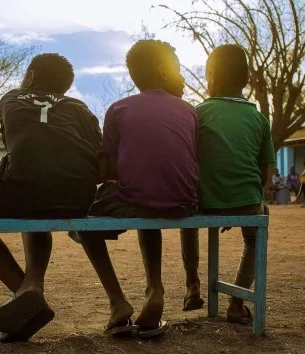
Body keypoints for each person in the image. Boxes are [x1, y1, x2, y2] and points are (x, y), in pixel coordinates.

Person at [0, 53, 101, 342]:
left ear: (31, 77)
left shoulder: (12, 98)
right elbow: (97, 150)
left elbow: (16, 145)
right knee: (36, 208)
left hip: (23, 186)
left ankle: (27, 290)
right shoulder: (79, 107)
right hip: (78, 194)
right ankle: (31, 288)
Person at [73, 40, 198, 338]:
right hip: (185, 201)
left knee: (83, 220)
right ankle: (154, 289)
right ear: (162, 72)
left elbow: (112, 171)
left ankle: (118, 302)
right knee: (148, 201)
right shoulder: (190, 111)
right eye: (177, 69)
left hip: (139, 197)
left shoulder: (118, 109)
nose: (182, 76)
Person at [180, 44, 275, 325]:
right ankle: (237, 302)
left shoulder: (198, 113)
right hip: (246, 200)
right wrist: (246, 199)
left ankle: (193, 284)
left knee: (189, 220)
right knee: (255, 232)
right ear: (246, 80)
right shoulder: (259, 118)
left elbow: (188, 160)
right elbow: (265, 170)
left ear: (211, 76)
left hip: (204, 202)